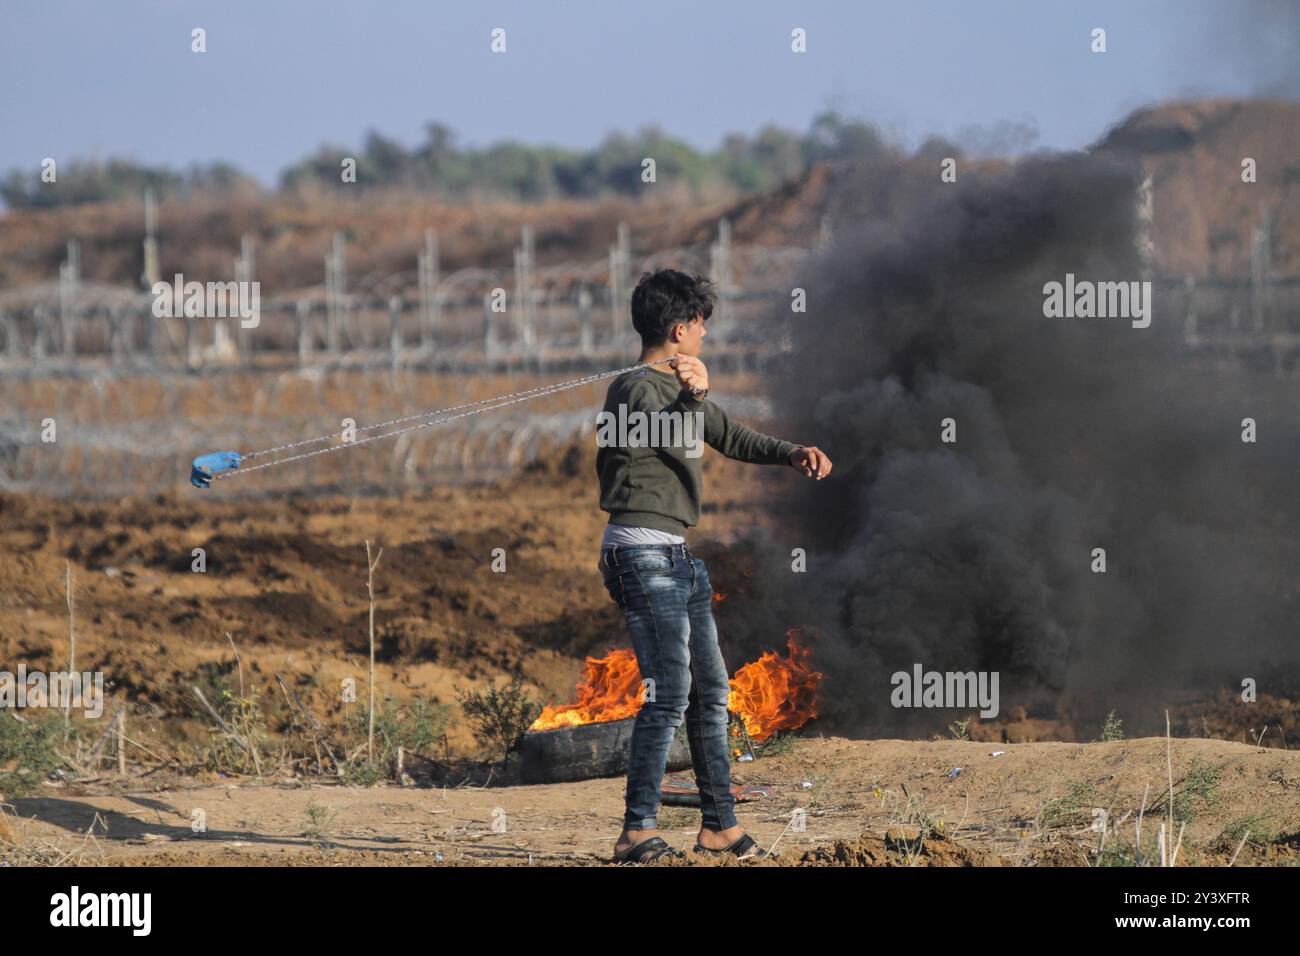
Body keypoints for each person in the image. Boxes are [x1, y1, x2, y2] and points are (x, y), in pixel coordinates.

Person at [595, 269, 832, 863]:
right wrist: (693, 397)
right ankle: (636, 831)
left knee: (712, 694)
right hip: (640, 553)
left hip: (675, 557)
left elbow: (730, 436)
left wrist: (792, 453)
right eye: (700, 326)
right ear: (681, 329)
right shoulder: (633, 390)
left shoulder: (677, 389)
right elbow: (670, 435)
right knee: (669, 692)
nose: (704, 336)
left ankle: (719, 825)